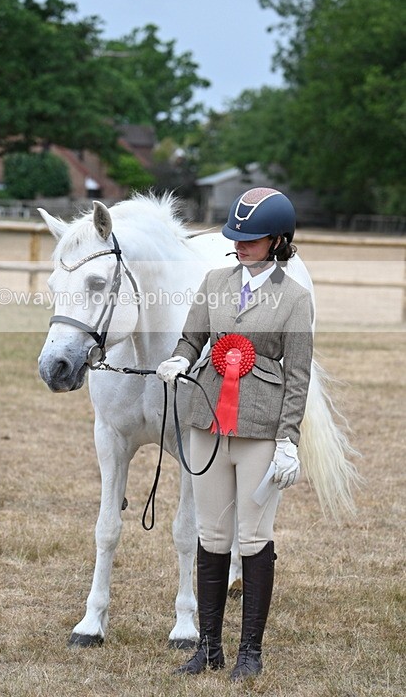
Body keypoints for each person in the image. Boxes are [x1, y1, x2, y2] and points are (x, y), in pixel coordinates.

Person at [157, 187, 314, 682]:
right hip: (207, 420)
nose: (240, 246)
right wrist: (181, 359)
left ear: (278, 241)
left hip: (261, 429)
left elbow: (299, 374)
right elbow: (192, 336)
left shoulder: (295, 299)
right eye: (236, 238)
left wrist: (288, 439)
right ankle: (208, 647)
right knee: (212, 534)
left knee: (253, 537)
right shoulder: (214, 281)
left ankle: (250, 651)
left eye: (251, 239)